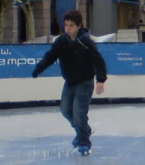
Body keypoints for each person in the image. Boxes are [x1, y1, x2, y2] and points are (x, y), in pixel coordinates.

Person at [31, 9, 108, 155]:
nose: (68, 29)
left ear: (79, 26)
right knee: (65, 110)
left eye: (71, 25)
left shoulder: (86, 42)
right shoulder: (62, 41)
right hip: (70, 82)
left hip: (85, 82)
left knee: (79, 113)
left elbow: (99, 62)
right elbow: (50, 56)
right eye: (66, 25)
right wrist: (39, 69)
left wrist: (100, 80)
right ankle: (82, 130)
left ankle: (84, 142)